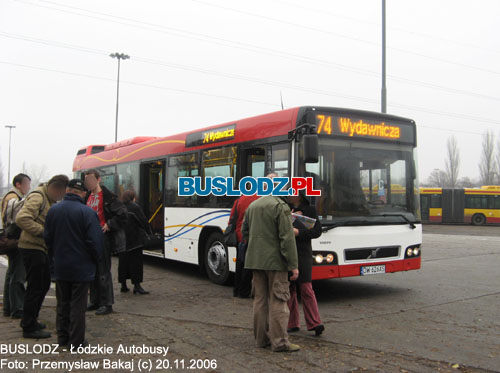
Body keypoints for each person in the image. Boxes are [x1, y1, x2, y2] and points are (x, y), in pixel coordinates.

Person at [242, 183, 300, 353]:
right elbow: (287, 239)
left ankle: (261, 340)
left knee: (259, 301)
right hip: (276, 262)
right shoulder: (280, 207)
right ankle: (280, 342)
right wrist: (293, 265)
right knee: (279, 300)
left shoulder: (253, 205)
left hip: (255, 260)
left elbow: (244, 232)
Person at [44, 179, 103, 348]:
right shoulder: (87, 212)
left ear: (67, 190)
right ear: (83, 193)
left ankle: (62, 338)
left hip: (61, 265)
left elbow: (47, 238)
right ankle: (76, 341)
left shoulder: (53, 210)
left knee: (62, 303)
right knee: (78, 305)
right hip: (81, 267)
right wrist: (96, 261)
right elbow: (95, 242)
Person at [16, 174, 69, 339]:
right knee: (36, 287)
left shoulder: (48, 198)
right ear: (56, 189)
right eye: (61, 193)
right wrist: (45, 232)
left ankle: (31, 319)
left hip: (39, 249)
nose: (61, 197)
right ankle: (28, 325)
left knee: (43, 284)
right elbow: (22, 218)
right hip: (32, 247)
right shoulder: (39, 197)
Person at [84, 169, 127, 316]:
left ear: (98, 179)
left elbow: (122, 214)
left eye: (90, 179)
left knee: (103, 271)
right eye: (86, 180)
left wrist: (109, 224)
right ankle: (95, 300)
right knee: (92, 271)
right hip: (89, 238)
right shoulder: (87, 196)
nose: (88, 182)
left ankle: (106, 303)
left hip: (103, 238)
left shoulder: (108, 197)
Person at [286, 192, 325, 337]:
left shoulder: (310, 209)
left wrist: (298, 232)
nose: (289, 195)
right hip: (287, 252)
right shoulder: (284, 207)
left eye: (292, 192)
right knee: (290, 289)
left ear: (300, 195)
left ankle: (315, 323)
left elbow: (317, 231)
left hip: (303, 253)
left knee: (306, 288)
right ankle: (292, 323)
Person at [1, 173, 31, 319]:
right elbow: (15, 219)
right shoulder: (13, 198)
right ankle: (17, 308)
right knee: (18, 274)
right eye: (26, 184)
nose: (28, 187)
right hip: (15, 240)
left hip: (9, 240)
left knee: (12, 273)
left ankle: (8, 306)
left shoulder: (10, 196)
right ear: (18, 184)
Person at [228, 191, 260, 299]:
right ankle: (244, 291)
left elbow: (232, 218)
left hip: (240, 236)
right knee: (249, 265)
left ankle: (236, 290)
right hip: (252, 236)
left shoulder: (239, 200)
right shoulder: (259, 199)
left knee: (240, 264)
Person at [119, 190, 149, 295]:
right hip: (135, 240)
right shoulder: (135, 207)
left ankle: (123, 285)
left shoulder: (119, 206)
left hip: (122, 240)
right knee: (136, 264)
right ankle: (137, 286)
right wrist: (149, 232)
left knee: (123, 263)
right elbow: (143, 221)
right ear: (132, 197)